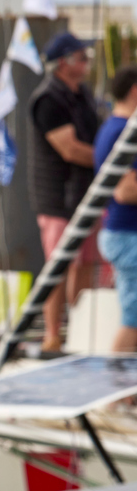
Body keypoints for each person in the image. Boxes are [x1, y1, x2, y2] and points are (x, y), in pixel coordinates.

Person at [29, 30, 104, 355]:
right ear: (64, 63)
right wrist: (109, 160)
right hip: (57, 197)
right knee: (58, 267)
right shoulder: (48, 99)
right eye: (81, 57)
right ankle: (52, 335)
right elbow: (70, 149)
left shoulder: (82, 93)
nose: (87, 62)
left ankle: (79, 329)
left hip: (86, 194)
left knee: (86, 263)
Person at [95, 64, 137, 353]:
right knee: (133, 318)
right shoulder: (123, 132)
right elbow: (125, 191)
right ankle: (118, 393)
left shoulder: (111, 128)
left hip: (121, 233)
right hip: (127, 236)